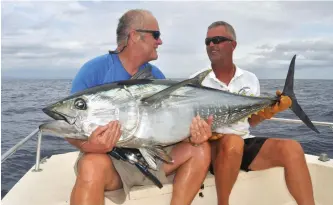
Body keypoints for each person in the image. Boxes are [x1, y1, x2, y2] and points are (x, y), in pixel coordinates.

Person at [67, 9, 213, 205]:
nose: (160, 41)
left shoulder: (157, 77)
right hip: (113, 163)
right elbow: (69, 124)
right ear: (135, 36)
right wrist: (88, 146)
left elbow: (167, 126)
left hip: (154, 157)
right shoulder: (94, 71)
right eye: (156, 35)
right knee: (91, 163)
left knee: (201, 149)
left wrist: (194, 135)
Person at [190, 21, 315, 205]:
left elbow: (249, 122)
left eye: (217, 40)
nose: (211, 45)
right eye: (207, 41)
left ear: (233, 44)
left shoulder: (250, 78)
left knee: (293, 149)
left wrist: (269, 111)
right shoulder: (196, 81)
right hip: (212, 147)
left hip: (243, 141)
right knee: (233, 142)